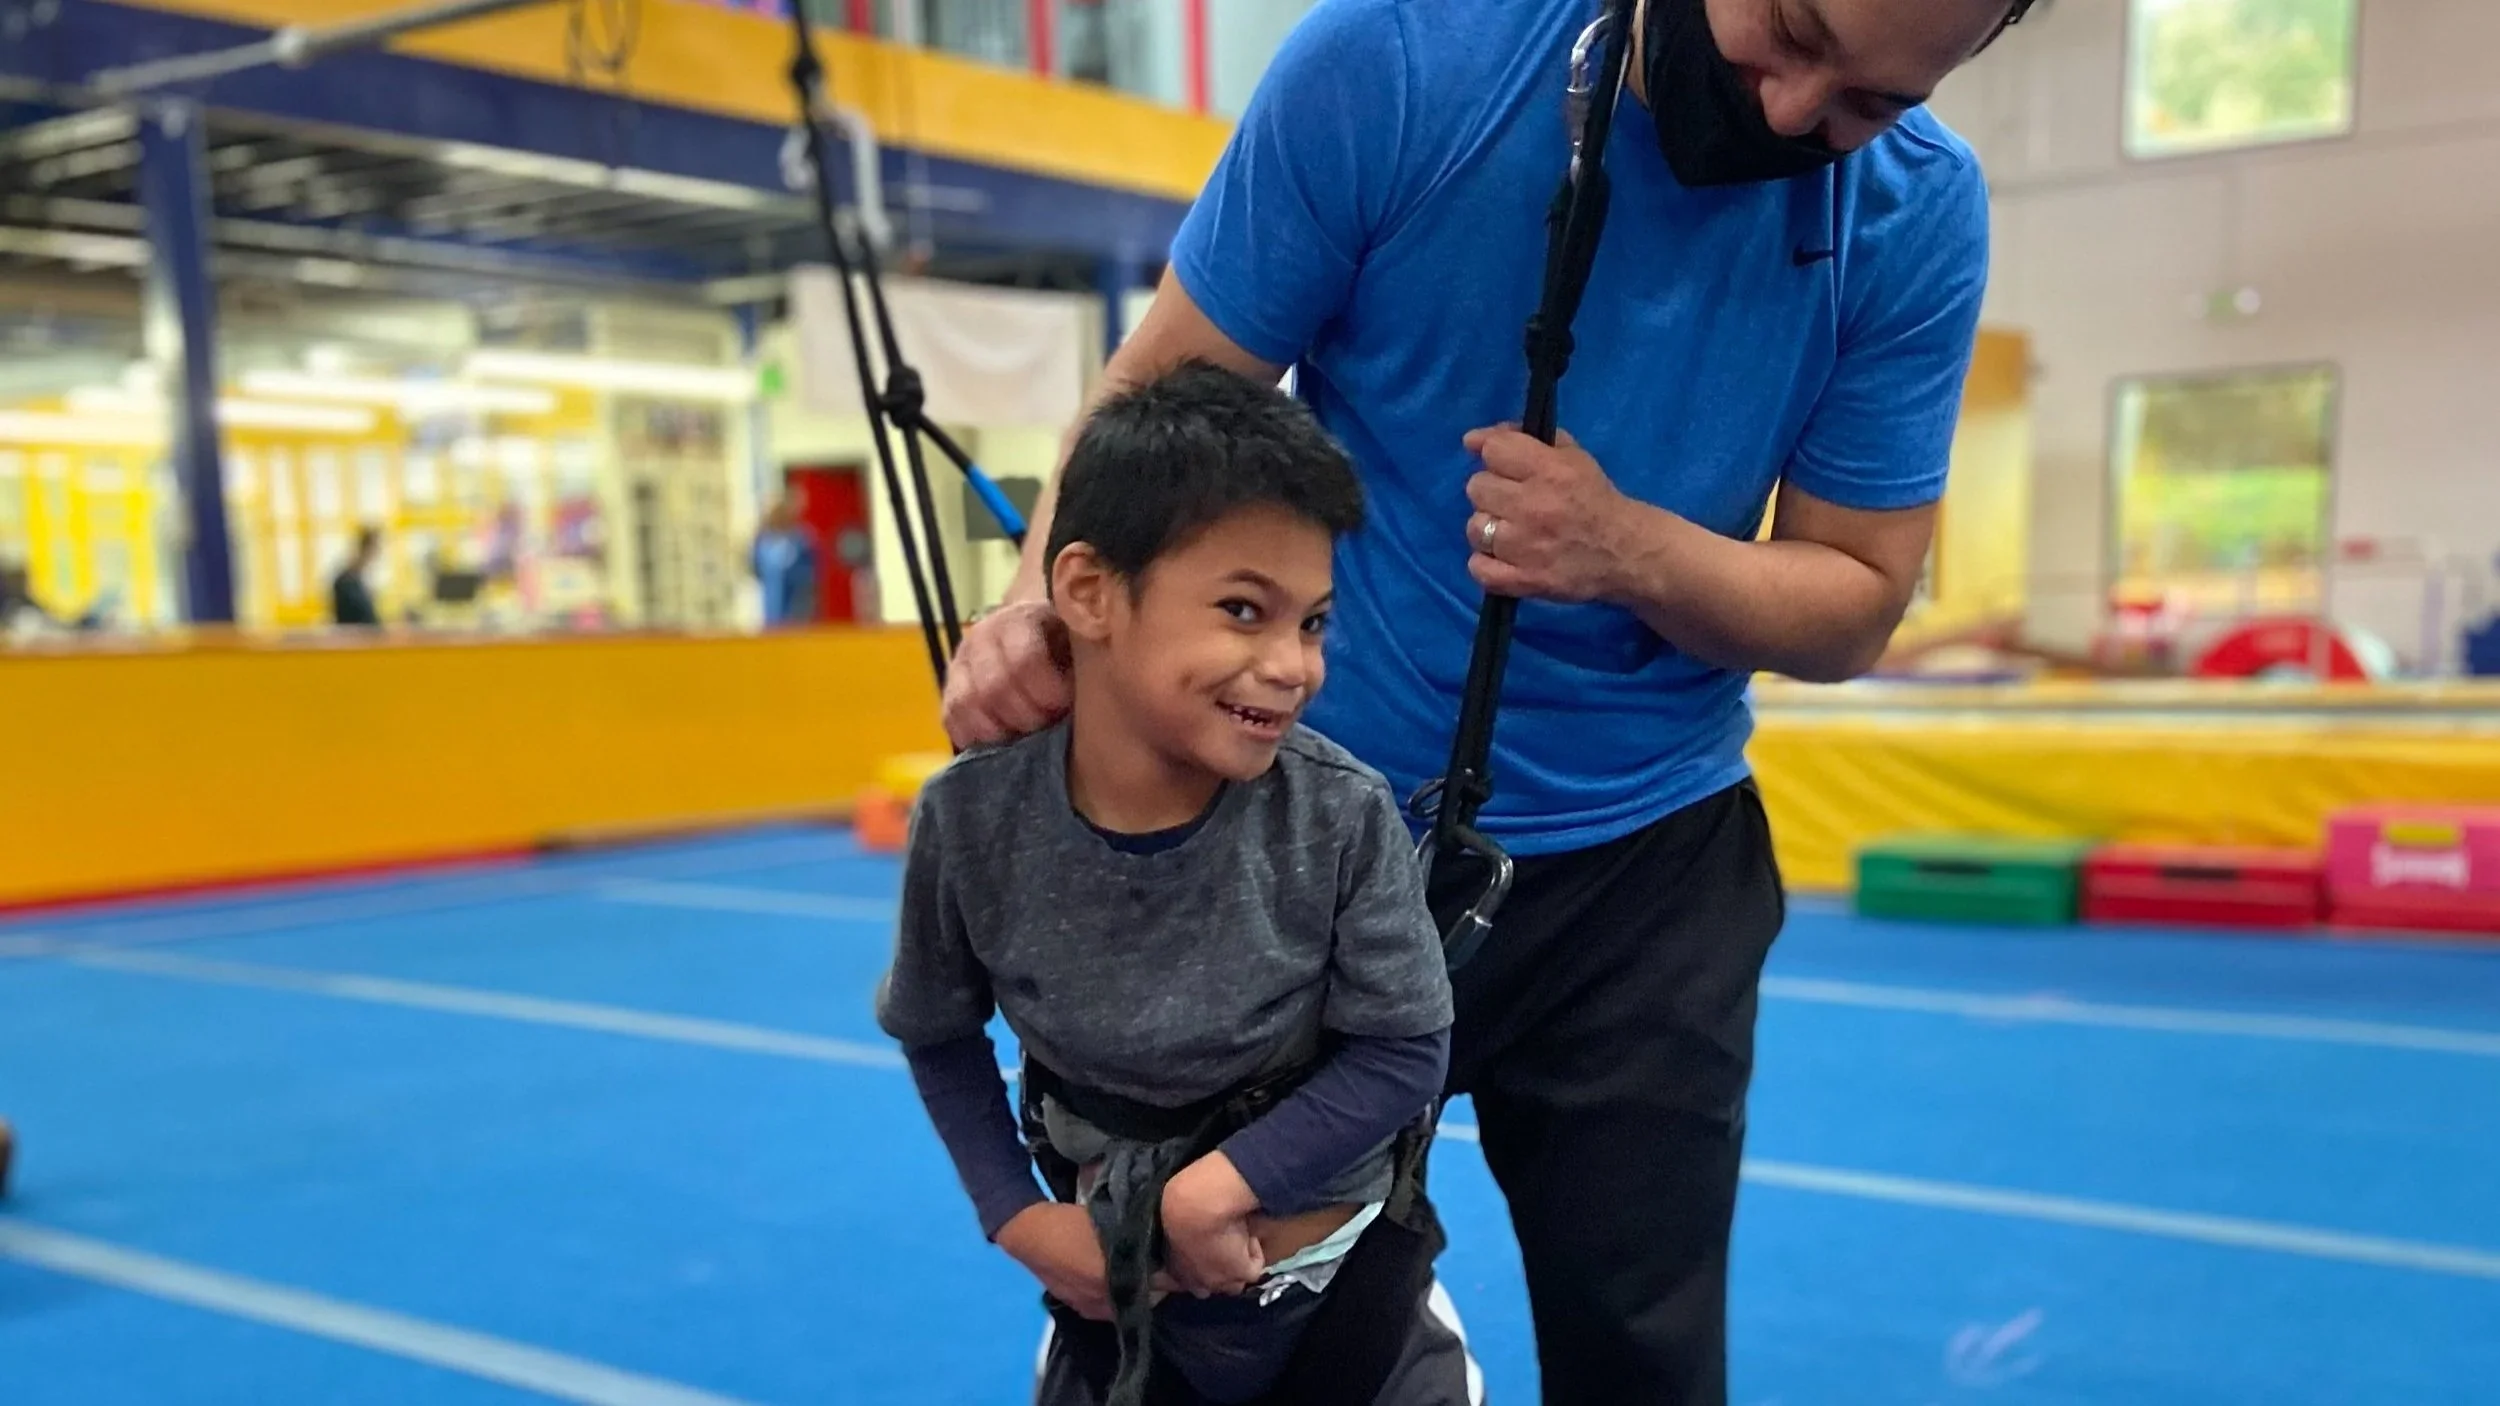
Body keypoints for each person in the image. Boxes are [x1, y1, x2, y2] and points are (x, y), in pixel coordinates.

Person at [938, 0, 2038, 1400]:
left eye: (1863, 102)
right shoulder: (1402, 63)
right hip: (1311, 847)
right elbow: (1166, 388)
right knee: (1220, 1331)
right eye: (1789, 31)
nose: (1785, 110)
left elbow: (1859, 597)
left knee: (1642, 1356)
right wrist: (1045, 597)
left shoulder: (1915, 211)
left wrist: (1629, 550)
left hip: (1650, 879)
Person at [875, 363, 1473, 1405]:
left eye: (1314, 621)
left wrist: (1219, 1188)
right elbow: (935, 1028)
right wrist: (1016, 1214)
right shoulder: (971, 822)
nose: (1293, 664)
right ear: (1090, 592)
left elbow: (1405, 1045)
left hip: (1342, 1303)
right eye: (1244, 609)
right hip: (1119, 1315)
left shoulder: (1337, 814)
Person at [751, 493, 821, 628]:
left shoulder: (803, 539)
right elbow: (756, 568)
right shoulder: (763, 541)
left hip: (799, 608)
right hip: (773, 611)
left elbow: (814, 571)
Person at [331, 526, 382, 629]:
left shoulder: (362, 578)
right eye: (375, 549)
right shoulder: (347, 581)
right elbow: (362, 616)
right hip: (353, 638)